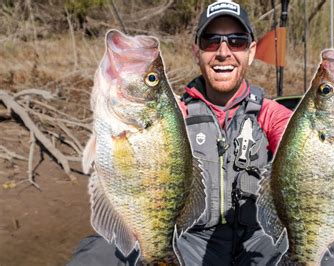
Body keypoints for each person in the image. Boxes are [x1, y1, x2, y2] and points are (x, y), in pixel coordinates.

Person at [68, 1, 292, 265]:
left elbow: (299, 142)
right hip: (189, 239)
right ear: (196, 51)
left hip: (260, 237)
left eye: (236, 41)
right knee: (96, 255)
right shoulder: (175, 114)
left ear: (251, 51)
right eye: (211, 41)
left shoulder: (271, 114)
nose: (223, 52)